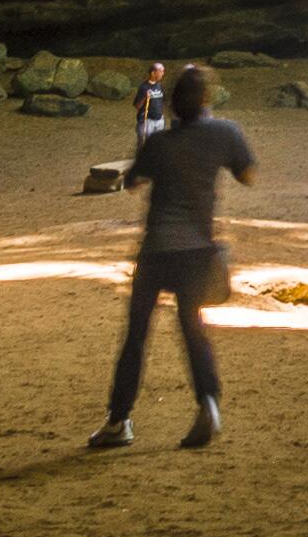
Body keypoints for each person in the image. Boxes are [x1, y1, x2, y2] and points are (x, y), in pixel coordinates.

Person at [90, 56, 254, 451]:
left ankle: (119, 420)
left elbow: (132, 182)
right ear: (206, 99)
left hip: (157, 249)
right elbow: (247, 174)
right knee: (193, 328)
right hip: (198, 250)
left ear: (174, 102)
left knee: (137, 335)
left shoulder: (160, 142)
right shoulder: (224, 133)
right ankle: (208, 403)